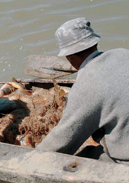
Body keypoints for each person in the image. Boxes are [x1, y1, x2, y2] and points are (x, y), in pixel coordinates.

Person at [36, 17, 129, 164]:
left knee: (81, 159)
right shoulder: (123, 53)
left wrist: (33, 158)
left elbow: (63, 139)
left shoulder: (87, 84)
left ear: (70, 57)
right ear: (95, 42)